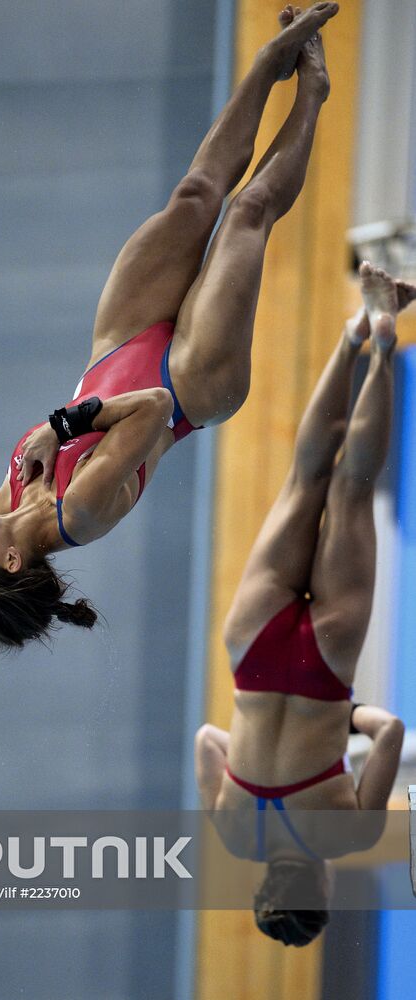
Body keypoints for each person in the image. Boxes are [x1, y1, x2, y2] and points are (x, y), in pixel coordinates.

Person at [0, 4, 340, 650]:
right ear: (12, 563)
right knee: (246, 214)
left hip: (119, 343)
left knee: (196, 195)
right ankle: (312, 92)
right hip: (188, 385)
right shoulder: (80, 514)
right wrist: (59, 426)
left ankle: (268, 64)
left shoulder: (5, 506)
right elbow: (148, 408)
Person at [194, 262, 415, 945]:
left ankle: (385, 339)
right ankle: (352, 333)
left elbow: (390, 734)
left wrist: (342, 715)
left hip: (326, 666)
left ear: (321, 889)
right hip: (254, 654)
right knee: (305, 479)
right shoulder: (234, 833)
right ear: (264, 888)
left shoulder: (350, 832)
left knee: (352, 490)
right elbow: (209, 740)